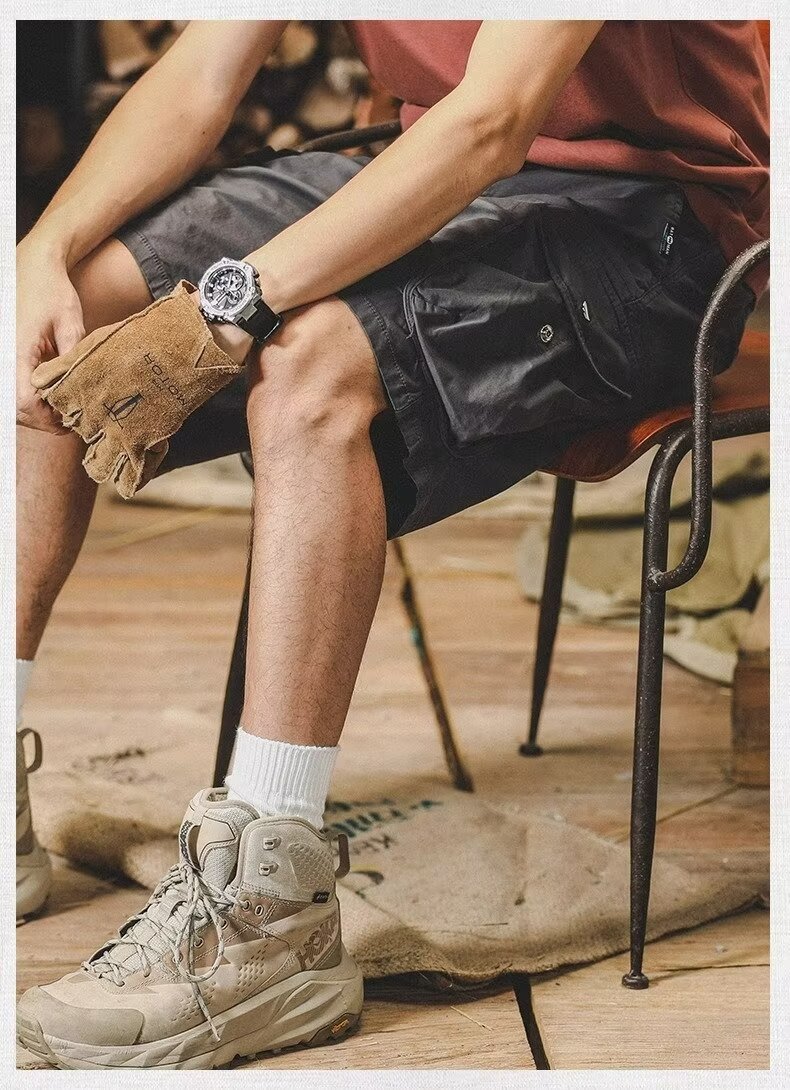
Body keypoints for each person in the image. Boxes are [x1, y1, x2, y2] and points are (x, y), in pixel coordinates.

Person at [15, 19, 768, 1070]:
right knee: (59, 313)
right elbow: (202, 70)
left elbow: (492, 122)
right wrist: (41, 252)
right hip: (426, 167)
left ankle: (269, 911)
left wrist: (225, 313)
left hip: (646, 227)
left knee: (310, 364)